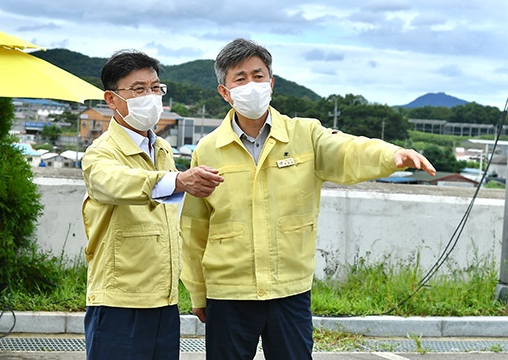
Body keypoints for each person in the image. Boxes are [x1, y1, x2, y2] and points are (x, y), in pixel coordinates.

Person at [180, 38, 436, 360]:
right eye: (240, 78)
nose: (251, 85)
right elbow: (193, 227)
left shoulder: (306, 134)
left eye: (258, 76)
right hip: (229, 293)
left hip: (290, 290)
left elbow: (348, 150)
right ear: (225, 91)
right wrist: (198, 292)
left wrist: (391, 155)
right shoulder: (207, 149)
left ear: (271, 83)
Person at [81, 50, 224, 360]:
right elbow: (114, 183)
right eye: (138, 89)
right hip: (119, 302)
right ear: (112, 99)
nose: (150, 96)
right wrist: (178, 182)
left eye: (155, 88)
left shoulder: (161, 147)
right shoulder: (100, 153)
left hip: (164, 301)